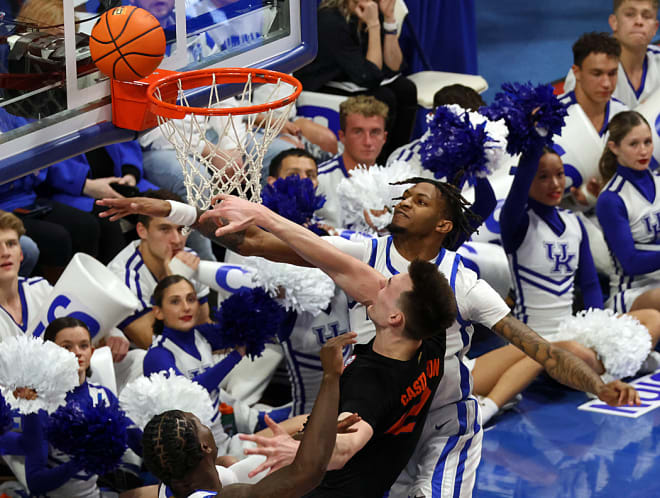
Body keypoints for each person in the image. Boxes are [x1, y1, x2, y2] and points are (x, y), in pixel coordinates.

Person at [96, 180, 640, 498]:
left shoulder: (466, 286)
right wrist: (171, 211)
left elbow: (536, 347)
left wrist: (598, 383)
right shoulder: (367, 259)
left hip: (443, 424)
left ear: (444, 225)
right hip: (380, 411)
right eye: (406, 195)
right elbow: (259, 241)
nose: (403, 202)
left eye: (421, 200)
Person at [141, 332, 356, 498]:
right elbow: (308, 471)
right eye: (200, 424)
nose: (207, 425)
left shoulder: (174, 482)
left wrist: (316, 433)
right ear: (204, 447)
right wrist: (330, 375)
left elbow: (250, 466)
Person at [21, 317, 142, 497]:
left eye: (83, 345)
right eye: (66, 347)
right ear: (49, 353)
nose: (77, 353)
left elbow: (137, 441)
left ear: (92, 351)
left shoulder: (103, 396)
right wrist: (84, 458)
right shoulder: (37, 405)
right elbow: (36, 482)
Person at [294, 0, 417, 159]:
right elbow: (369, 76)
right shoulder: (330, 19)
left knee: (406, 89)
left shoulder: (370, 11)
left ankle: (396, 158)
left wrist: (388, 19)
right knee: (384, 97)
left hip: (351, 76)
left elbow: (394, 65)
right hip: (320, 84)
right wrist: (373, 26)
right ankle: (378, 162)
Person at [143, 275, 246, 452]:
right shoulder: (158, 355)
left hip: (221, 441)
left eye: (191, 299)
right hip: (191, 453)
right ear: (158, 312)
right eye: (175, 302)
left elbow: (246, 327)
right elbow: (188, 394)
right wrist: (236, 355)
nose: (186, 307)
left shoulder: (202, 335)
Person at [107, 190, 211, 350]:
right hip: (137, 360)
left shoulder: (189, 257)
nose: (177, 240)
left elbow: (204, 328)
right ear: (142, 231)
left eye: (181, 229)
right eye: (165, 229)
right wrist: (174, 282)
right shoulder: (123, 278)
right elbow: (156, 346)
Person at [555, 32, 629, 212]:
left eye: (612, 74)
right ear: (577, 72)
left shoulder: (625, 116)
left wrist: (595, 197)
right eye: (597, 74)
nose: (606, 84)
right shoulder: (550, 117)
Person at [597, 110, 660, 313]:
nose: (643, 151)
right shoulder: (611, 199)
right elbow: (630, 263)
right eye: (634, 144)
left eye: (647, 142)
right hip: (632, 292)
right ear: (614, 147)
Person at [564, 0, 660, 109]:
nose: (639, 21)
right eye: (630, 14)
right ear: (614, 22)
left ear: (655, 28)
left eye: (646, 16)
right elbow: (577, 121)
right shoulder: (586, 69)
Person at [315, 95, 389, 228]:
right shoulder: (319, 180)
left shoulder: (392, 184)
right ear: (342, 136)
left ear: (384, 137)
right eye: (358, 132)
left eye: (375, 132)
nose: (368, 142)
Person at [0, 210, 52, 342]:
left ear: (21, 253)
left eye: (11, 244)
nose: (5, 253)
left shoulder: (42, 289)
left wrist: (110, 335)